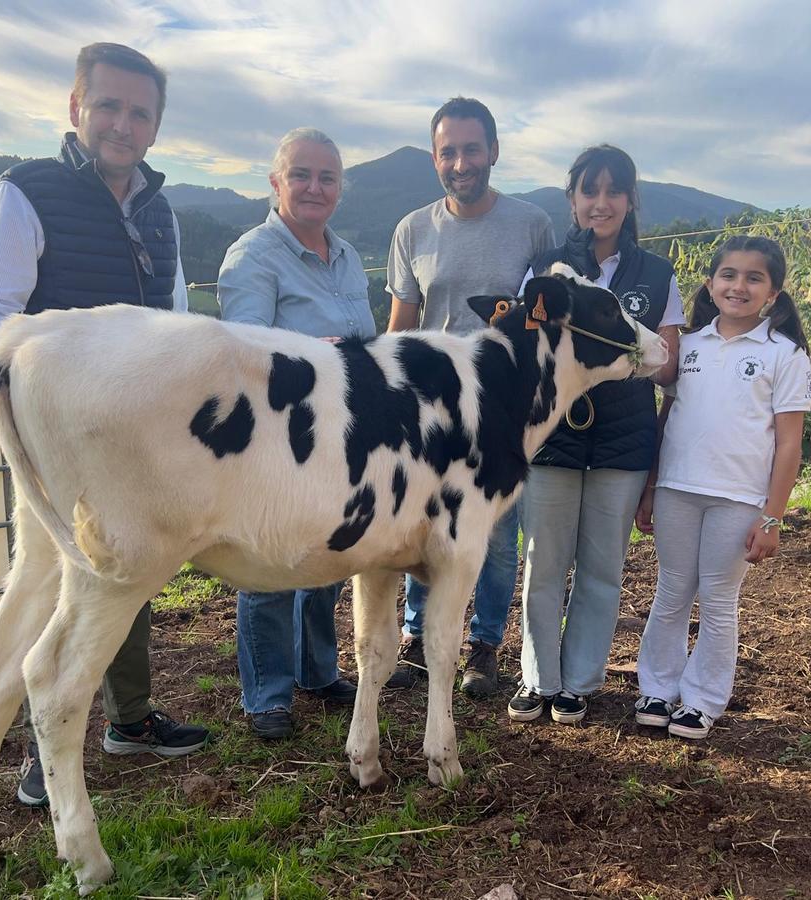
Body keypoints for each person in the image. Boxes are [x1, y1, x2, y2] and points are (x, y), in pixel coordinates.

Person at [0, 42, 211, 808]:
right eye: (108, 106)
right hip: (62, 433)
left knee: (130, 569)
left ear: (156, 126)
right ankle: (46, 740)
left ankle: (128, 719)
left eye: (140, 112)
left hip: (137, 430)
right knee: (66, 580)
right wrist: (15, 397)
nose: (122, 125)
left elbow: (175, 322)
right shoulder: (26, 191)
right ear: (77, 108)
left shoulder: (158, 212)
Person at [385, 97, 555, 697]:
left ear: (494, 152)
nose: (461, 162)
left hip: (502, 409)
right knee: (417, 520)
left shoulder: (532, 225)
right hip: (428, 408)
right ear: (435, 158)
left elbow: (543, 320)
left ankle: (483, 644)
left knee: (493, 533)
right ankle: (415, 636)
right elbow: (402, 322)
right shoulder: (412, 230)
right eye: (448, 151)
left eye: (471, 149)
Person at [507, 145, 682, 726]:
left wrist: (618, 355)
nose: (601, 203)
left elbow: (667, 362)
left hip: (624, 438)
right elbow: (529, 349)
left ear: (631, 201)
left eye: (614, 191)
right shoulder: (546, 267)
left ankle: (579, 682)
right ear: (572, 199)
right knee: (543, 561)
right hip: (553, 436)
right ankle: (538, 678)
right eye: (589, 190)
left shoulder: (656, 275)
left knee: (603, 566)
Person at [217, 127, 372, 739]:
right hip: (275, 437)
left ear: (339, 189)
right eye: (301, 175)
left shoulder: (349, 256)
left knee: (328, 556)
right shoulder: (253, 255)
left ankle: (317, 670)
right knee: (272, 562)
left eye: (327, 177)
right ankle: (268, 695)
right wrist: (320, 354)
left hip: (337, 436)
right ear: (276, 183)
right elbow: (241, 348)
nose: (315, 187)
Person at [634, 235, 811, 739]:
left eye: (754, 278)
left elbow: (789, 444)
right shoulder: (686, 347)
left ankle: (703, 700)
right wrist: (651, 486)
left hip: (739, 499)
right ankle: (656, 688)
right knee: (670, 591)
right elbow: (666, 417)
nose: (739, 286)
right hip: (676, 490)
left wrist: (772, 517)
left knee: (716, 598)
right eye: (729, 275)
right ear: (710, 285)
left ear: (773, 293)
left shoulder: (785, 355)